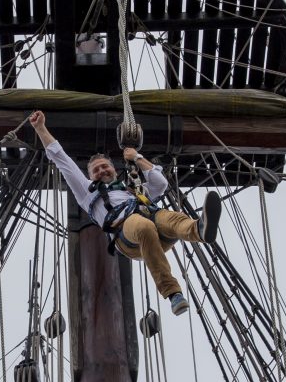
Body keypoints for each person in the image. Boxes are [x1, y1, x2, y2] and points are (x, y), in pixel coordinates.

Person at [28, 110, 220, 316]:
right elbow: (61, 159)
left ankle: (199, 230)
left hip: (154, 228)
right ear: (90, 176)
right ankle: (173, 293)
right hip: (125, 236)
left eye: (105, 167)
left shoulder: (131, 190)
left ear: (113, 169)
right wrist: (40, 128)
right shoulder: (86, 193)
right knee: (143, 225)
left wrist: (136, 157)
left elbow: (160, 184)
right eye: (96, 170)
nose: (102, 171)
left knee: (169, 217)